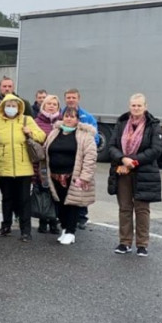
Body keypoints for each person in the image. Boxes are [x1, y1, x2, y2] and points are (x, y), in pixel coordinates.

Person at [108, 94, 162, 257]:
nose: (136, 108)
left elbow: (155, 150)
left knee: (142, 209)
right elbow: (111, 146)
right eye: (133, 105)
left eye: (139, 105)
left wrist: (132, 162)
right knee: (124, 208)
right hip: (122, 171)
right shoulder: (121, 123)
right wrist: (122, 159)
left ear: (145, 106)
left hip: (144, 172)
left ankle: (142, 244)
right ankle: (124, 242)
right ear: (129, 106)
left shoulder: (153, 125)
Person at [0, 94, 46, 242]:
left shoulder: (27, 120)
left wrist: (30, 132)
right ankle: (6, 226)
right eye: (8, 105)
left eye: (14, 106)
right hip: (3, 167)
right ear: (3, 107)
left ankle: (25, 231)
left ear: (19, 107)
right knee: (7, 199)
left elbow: (42, 136)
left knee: (24, 200)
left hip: (24, 168)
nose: (11, 109)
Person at [42, 108, 97, 246]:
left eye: (72, 117)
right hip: (54, 176)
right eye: (66, 116)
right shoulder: (55, 132)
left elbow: (90, 157)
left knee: (72, 204)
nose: (69, 119)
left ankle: (71, 232)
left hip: (74, 176)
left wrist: (84, 176)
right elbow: (46, 150)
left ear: (78, 119)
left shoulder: (85, 135)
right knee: (59, 204)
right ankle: (65, 228)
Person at [63, 88, 102, 230]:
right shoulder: (61, 114)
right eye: (68, 97)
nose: (71, 100)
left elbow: (95, 138)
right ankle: (64, 218)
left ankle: (82, 217)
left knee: (81, 189)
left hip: (80, 159)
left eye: (73, 97)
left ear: (78, 98)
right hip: (65, 160)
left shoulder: (88, 117)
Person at [33, 95, 63, 235]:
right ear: (43, 106)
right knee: (43, 192)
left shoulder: (63, 122)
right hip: (42, 164)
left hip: (57, 164)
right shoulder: (36, 122)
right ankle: (43, 220)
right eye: (48, 104)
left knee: (55, 193)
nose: (51, 106)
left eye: (54, 104)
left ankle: (54, 222)